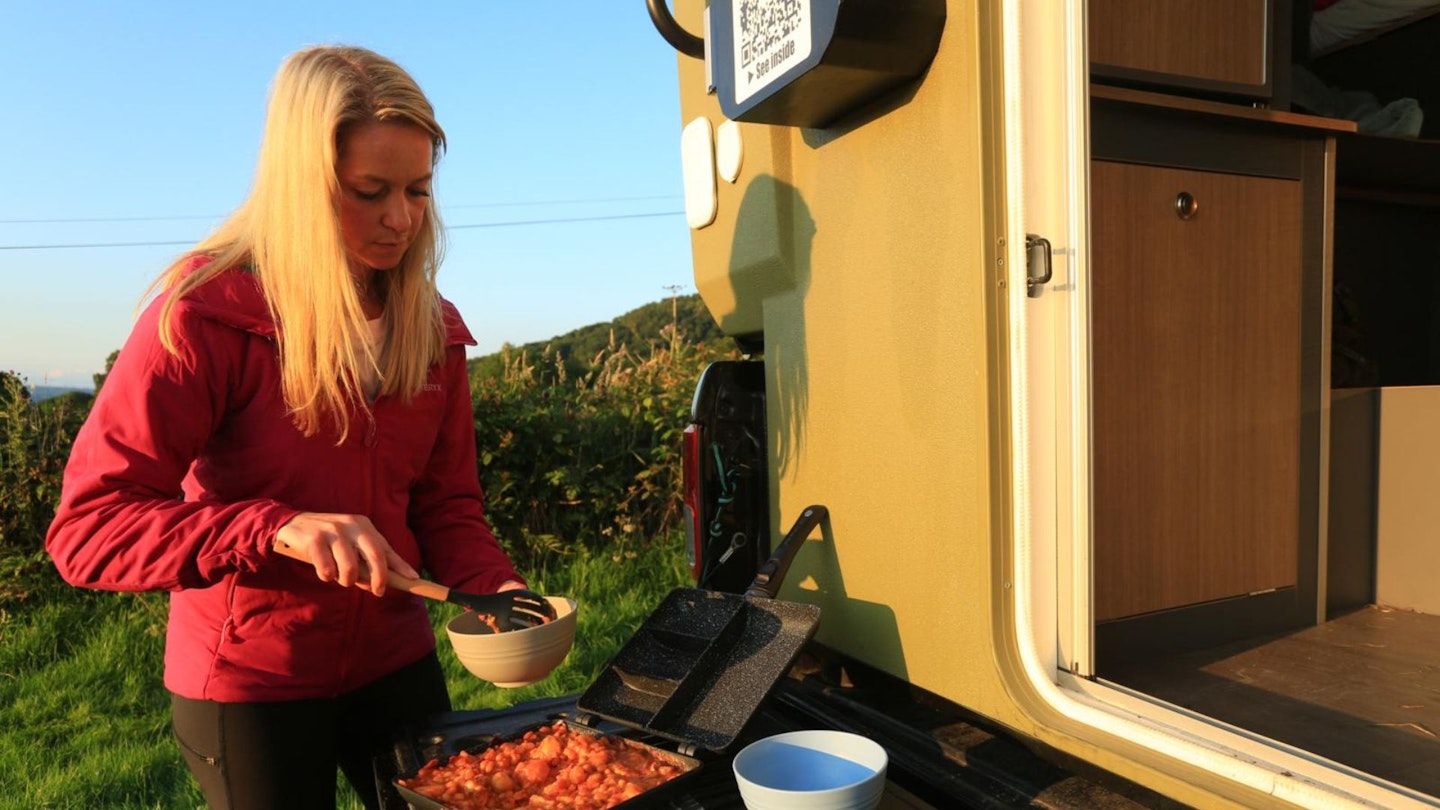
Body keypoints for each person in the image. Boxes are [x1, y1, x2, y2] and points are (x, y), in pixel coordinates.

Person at [45, 44, 535, 810]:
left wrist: (492, 587)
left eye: (417, 190)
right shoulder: (206, 314)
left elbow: (447, 506)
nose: (400, 219)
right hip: (252, 681)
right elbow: (87, 531)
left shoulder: (430, 329)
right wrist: (274, 529)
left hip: (394, 657)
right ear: (301, 186)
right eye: (369, 191)